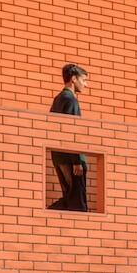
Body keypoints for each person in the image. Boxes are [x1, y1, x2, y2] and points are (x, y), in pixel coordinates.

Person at [49, 64, 90, 210]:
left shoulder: (58, 99)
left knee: (70, 198)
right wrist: (77, 160)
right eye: (84, 80)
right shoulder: (71, 100)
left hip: (59, 157)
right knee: (77, 202)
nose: (86, 84)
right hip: (71, 159)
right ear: (73, 79)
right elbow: (72, 131)